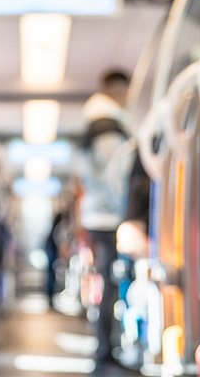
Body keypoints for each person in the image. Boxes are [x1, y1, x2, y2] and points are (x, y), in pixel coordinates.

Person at [73, 70, 135, 369]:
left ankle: (105, 344)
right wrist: (129, 211)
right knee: (111, 284)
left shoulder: (93, 124)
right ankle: (105, 348)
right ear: (115, 89)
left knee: (106, 282)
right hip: (109, 218)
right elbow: (115, 177)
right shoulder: (108, 127)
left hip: (96, 215)